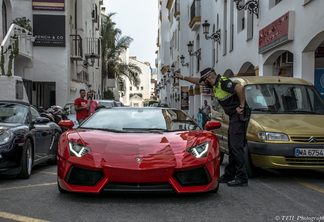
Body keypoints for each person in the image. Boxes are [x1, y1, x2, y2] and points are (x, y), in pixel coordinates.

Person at [174, 67, 249, 187]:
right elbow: (197, 81)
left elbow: (239, 87)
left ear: (209, 78)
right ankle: (230, 174)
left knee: (236, 146)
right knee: (232, 146)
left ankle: (242, 177)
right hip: (233, 118)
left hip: (238, 117)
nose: (203, 84)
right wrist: (183, 77)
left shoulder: (222, 82)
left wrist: (242, 106)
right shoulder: (215, 84)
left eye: (205, 81)